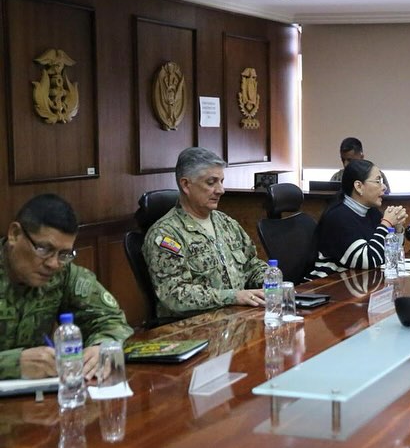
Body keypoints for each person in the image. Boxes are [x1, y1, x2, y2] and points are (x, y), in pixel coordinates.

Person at [0, 194, 132, 380]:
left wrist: (102, 346)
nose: (53, 264)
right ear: (14, 234)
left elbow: (112, 320)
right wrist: (12, 364)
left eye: (64, 254)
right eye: (43, 249)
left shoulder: (64, 273)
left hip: (41, 392)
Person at [143, 147, 269, 320]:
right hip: (193, 327)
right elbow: (174, 294)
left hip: (237, 320)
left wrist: (272, 281)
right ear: (186, 185)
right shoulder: (166, 235)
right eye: (211, 183)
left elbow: (251, 265)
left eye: (221, 181)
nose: (221, 190)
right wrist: (233, 296)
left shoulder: (226, 223)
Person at [310, 159, 407, 279]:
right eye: (378, 181)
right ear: (359, 186)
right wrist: (386, 223)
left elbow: (390, 255)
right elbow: (367, 260)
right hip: (328, 283)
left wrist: (397, 229)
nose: (384, 187)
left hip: (357, 281)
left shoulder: (371, 212)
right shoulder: (338, 217)